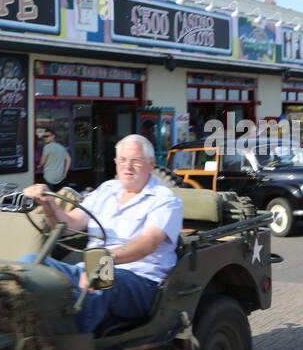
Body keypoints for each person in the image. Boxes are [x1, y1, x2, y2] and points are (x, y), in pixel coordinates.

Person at [21, 134, 182, 334]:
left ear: (150, 163)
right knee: (28, 265)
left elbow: (149, 242)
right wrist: (48, 204)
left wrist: (103, 261)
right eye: (122, 160)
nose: (127, 166)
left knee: (100, 281)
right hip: (91, 269)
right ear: (115, 163)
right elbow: (69, 225)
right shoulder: (107, 189)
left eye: (135, 160)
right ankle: (24, 333)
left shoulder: (165, 199)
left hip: (141, 281)